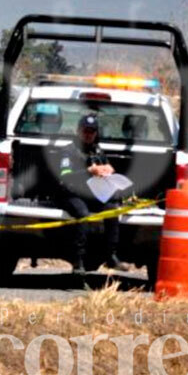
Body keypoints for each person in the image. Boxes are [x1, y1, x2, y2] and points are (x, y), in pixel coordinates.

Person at [57, 113, 122, 275]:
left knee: (112, 210)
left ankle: (110, 255)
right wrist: (89, 171)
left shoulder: (97, 150)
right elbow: (66, 176)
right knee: (83, 214)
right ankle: (78, 260)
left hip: (92, 193)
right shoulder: (68, 151)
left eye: (92, 131)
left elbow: (107, 166)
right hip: (70, 194)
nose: (89, 135)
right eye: (86, 131)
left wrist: (108, 170)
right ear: (78, 131)